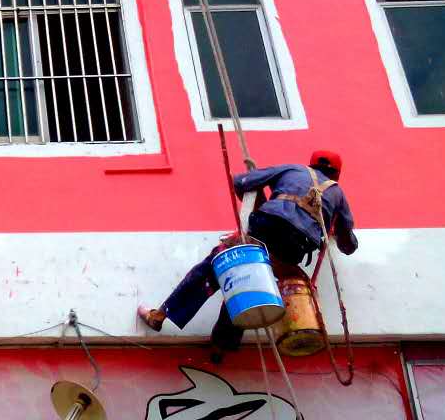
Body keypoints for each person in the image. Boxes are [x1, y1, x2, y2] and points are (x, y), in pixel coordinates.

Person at [136, 151, 358, 360]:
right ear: (336, 174)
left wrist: (265, 203)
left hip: (265, 227)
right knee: (250, 285)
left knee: (221, 264)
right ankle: (221, 346)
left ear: (311, 164)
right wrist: (333, 230)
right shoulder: (337, 193)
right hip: (294, 248)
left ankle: (160, 316)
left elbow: (241, 182)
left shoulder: (293, 169)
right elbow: (348, 245)